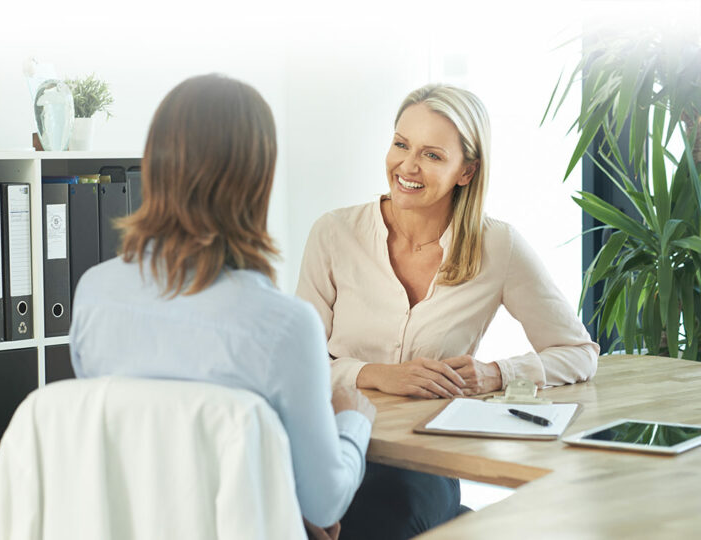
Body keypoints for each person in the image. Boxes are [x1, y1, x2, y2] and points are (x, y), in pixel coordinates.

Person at [70, 74, 375, 538]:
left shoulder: (94, 293)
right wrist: (352, 418)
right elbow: (325, 500)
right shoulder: (284, 325)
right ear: (257, 181)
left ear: (154, 166)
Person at [295, 84, 600, 539]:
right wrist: (373, 374)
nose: (407, 166)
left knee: (378, 524)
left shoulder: (498, 246)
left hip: (422, 462)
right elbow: (300, 365)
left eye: (432, 155)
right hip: (333, 442)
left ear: (467, 170)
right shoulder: (335, 233)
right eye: (401, 144)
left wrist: (495, 373)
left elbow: (577, 351)